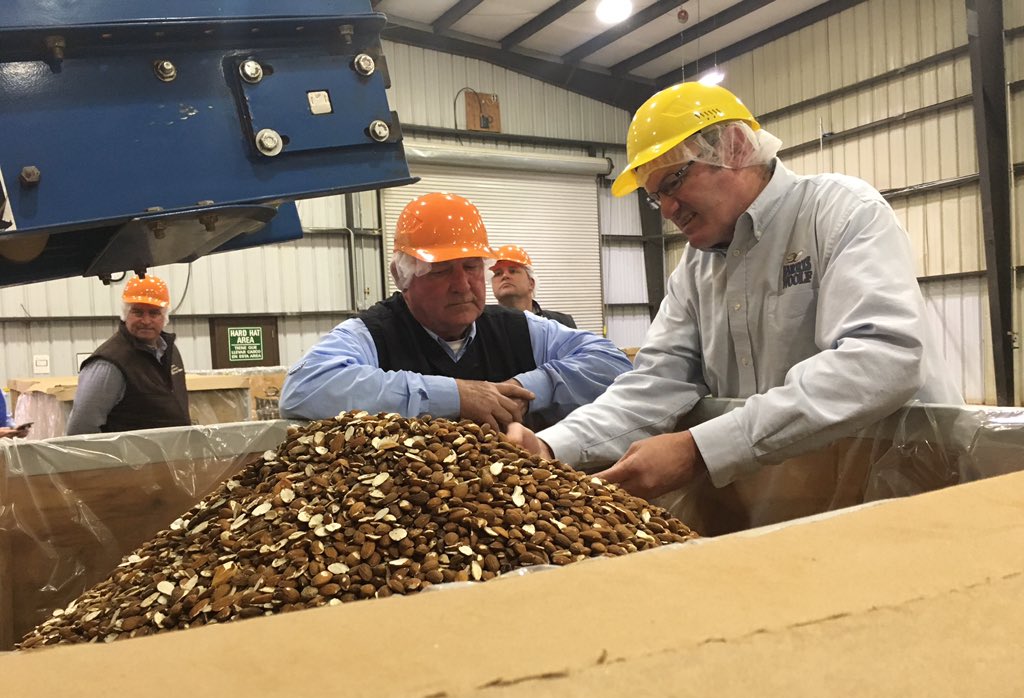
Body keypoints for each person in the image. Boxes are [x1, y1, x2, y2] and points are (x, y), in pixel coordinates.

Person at [506, 82, 963, 501]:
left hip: (899, 493)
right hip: (787, 499)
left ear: (736, 147)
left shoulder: (841, 213)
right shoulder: (695, 270)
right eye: (654, 196)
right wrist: (552, 445)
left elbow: (882, 358)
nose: (666, 209)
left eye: (674, 181)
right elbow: (657, 381)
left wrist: (701, 449)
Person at [280, 192, 632, 431]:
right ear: (402, 276)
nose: (462, 284)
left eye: (471, 266)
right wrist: (457, 396)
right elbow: (304, 388)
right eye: (441, 270)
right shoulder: (372, 334)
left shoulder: (520, 329)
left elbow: (613, 364)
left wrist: (528, 385)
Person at [66, 275, 191, 435]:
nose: (146, 321)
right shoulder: (109, 364)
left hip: (174, 456)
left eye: (154, 313)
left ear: (164, 317)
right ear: (125, 314)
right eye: (138, 312)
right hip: (132, 460)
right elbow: (80, 429)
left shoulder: (170, 352)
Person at [490, 245, 577, 327]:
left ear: (531, 283)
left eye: (512, 271)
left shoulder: (563, 324)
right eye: (498, 273)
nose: (505, 276)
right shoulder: (483, 328)